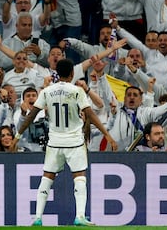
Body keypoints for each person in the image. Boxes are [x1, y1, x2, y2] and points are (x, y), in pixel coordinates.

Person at [15, 59, 117, 226]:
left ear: (57, 74)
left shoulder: (47, 92)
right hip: (74, 142)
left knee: (47, 177)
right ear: (71, 74)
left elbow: (31, 115)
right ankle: (80, 216)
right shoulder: (77, 91)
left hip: (54, 141)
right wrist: (107, 135)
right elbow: (90, 114)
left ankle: (38, 217)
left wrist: (17, 135)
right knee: (79, 177)